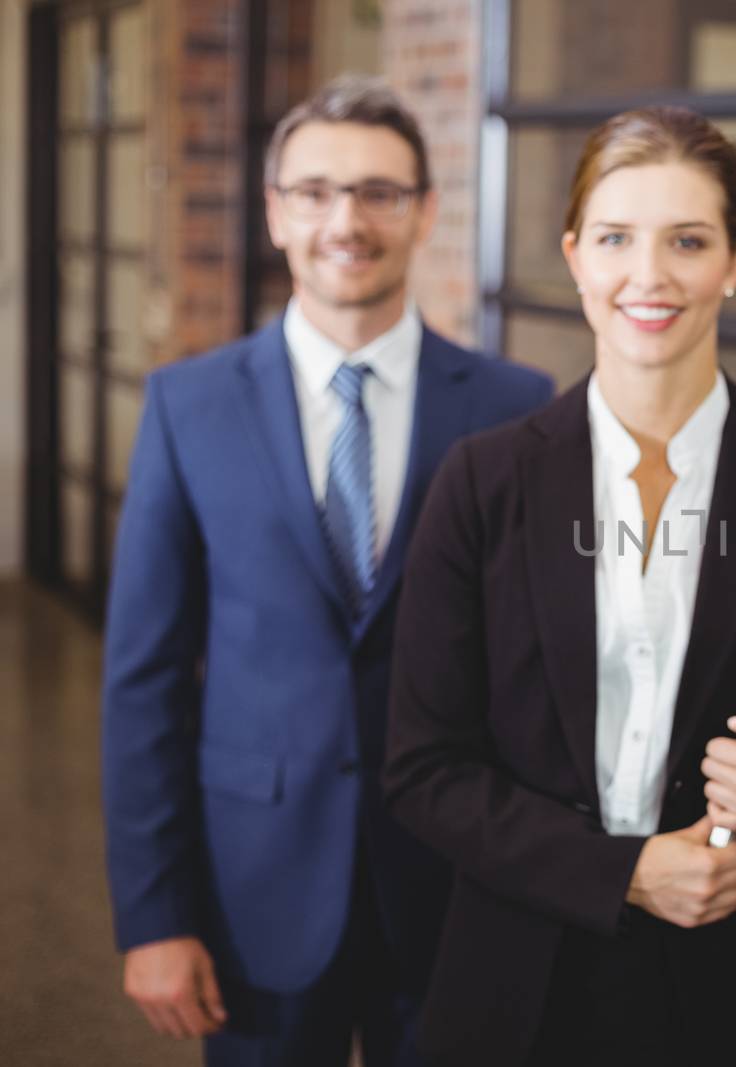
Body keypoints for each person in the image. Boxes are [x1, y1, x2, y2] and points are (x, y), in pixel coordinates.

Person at [382, 105, 736, 1067]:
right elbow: (423, 766)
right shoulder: (483, 482)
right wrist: (625, 870)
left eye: (687, 241)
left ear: (735, 262)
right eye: (616, 238)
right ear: (575, 256)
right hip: (513, 988)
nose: (648, 276)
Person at [101, 76, 553, 1067]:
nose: (346, 219)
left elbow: (539, 675)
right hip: (249, 890)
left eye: (379, 192)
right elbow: (144, 680)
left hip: (450, 892)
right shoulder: (189, 406)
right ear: (274, 213)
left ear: (425, 210)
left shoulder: (516, 410)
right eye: (313, 191)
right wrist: (152, 914)